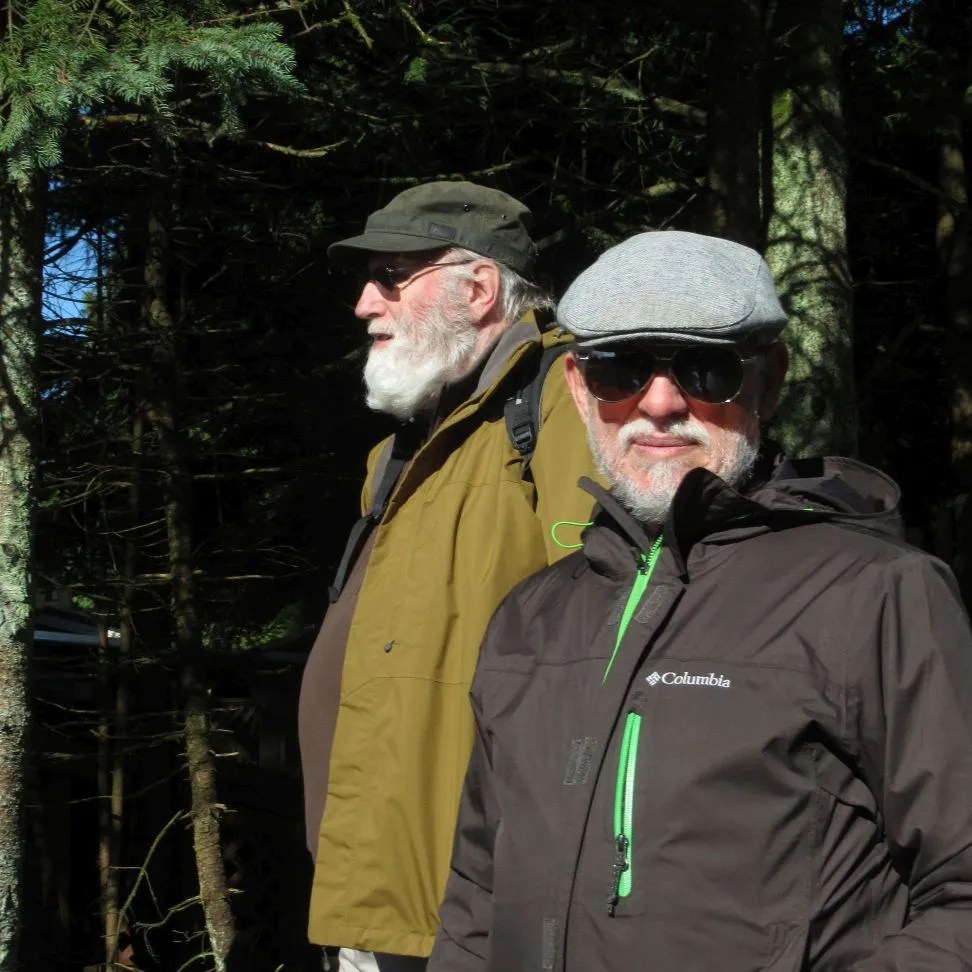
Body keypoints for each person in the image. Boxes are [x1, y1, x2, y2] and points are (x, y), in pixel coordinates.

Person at [429, 231, 972, 971]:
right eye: (619, 369)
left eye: (705, 368)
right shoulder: (531, 618)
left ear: (768, 382)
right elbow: (475, 899)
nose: (659, 403)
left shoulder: (877, 593)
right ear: (578, 389)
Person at [298, 181, 597, 972]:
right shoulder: (402, 449)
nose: (365, 304)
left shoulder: (566, 403)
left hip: (475, 909)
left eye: (391, 277)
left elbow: (600, 650)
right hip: (378, 888)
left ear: (480, 287)